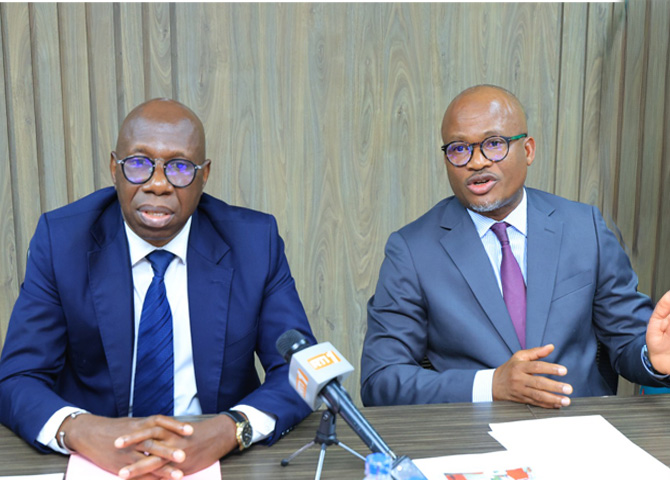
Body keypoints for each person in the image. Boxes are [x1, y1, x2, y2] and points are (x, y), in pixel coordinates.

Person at [0, 98, 316, 479]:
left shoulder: (253, 243)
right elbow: (18, 378)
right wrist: (81, 431)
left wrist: (229, 430)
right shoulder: (63, 242)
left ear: (204, 175)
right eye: (138, 164)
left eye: (180, 167)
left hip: (214, 460)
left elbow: (301, 371)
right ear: (114, 168)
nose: (158, 184)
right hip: (97, 461)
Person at [360, 84, 670, 409]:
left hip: (578, 425)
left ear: (528, 150)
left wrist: (655, 358)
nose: (476, 162)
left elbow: (630, 339)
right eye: (458, 148)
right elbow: (381, 380)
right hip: (474, 433)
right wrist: (490, 385)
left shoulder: (585, 229)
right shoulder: (412, 251)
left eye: (494, 144)